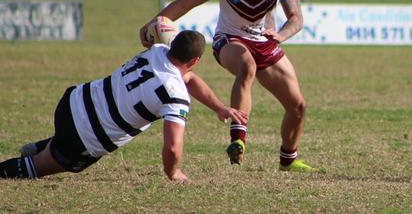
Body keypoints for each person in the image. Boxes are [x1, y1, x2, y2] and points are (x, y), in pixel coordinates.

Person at [139, 0, 322, 173]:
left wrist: (281, 35)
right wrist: (154, 22)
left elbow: (296, 18)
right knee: (247, 65)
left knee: (298, 106)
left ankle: (288, 160)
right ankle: (238, 139)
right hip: (229, 40)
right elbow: (187, 3)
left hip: (266, 42)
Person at [0, 30, 248, 181]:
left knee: (75, 130)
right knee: (37, 168)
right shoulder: (175, 95)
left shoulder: (157, 50)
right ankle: (35, 157)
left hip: (72, 100)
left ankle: (43, 145)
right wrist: (173, 173)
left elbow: (189, 78)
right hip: (85, 137)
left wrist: (218, 107)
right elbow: (173, 148)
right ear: (195, 60)